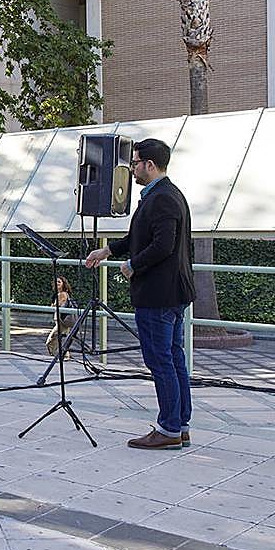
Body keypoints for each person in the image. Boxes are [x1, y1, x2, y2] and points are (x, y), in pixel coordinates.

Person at [86, 138, 195, 450]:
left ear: (149, 164)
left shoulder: (162, 199)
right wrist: (107, 250)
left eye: (134, 163)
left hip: (159, 295)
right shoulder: (167, 195)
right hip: (172, 293)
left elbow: (163, 245)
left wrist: (133, 265)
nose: (131, 169)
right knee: (173, 359)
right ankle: (180, 425)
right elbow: (138, 236)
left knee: (161, 361)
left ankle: (169, 429)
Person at [45, 276, 78, 356]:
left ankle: (60, 355)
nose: (57, 283)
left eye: (59, 282)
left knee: (51, 340)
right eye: (56, 282)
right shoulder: (60, 294)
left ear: (63, 284)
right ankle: (65, 355)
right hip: (62, 320)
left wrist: (53, 304)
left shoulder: (62, 294)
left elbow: (56, 306)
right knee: (62, 339)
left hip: (62, 321)